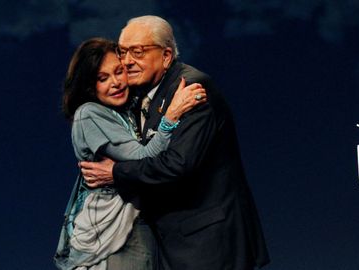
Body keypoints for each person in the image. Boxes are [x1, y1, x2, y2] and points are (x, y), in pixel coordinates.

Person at [80, 15, 270, 270]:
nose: (127, 62)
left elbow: (176, 165)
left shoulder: (191, 89)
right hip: (175, 243)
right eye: (123, 52)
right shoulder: (141, 94)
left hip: (207, 244)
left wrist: (115, 173)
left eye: (137, 52)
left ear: (166, 56)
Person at [54, 37, 206, 270]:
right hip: (108, 236)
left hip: (132, 225)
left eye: (119, 71)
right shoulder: (89, 114)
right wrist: (171, 116)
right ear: (89, 86)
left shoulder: (126, 111)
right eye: (102, 78)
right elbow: (144, 157)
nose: (115, 83)